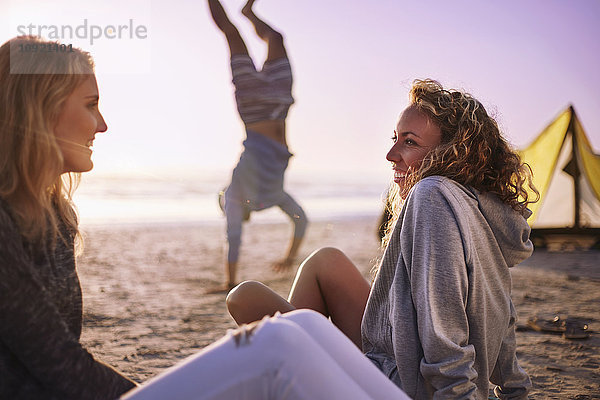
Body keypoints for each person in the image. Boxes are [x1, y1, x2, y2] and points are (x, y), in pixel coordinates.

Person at [0, 35, 413, 400]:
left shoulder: (55, 215)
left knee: (292, 332)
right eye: (91, 105)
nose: (103, 124)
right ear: (41, 109)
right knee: (277, 342)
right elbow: (59, 365)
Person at [227, 79, 538, 399]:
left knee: (244, 296)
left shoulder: (432, 196)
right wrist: (514, 388)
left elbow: (443, 324)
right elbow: (502, 310)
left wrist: (458, 393)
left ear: (452, 153)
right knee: (325, 261)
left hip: (401, 386)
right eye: (395, 139)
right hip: (402, 358)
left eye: (410, 142)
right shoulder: (480, 207)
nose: (391, 154)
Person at [208, 0, 308, 289]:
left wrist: (230, 282)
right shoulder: (273, 195)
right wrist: (290, 258)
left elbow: (234, 238)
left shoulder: (235, 194)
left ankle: (247, 14)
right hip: (279, 100)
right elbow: (301, 220)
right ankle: (249, 13)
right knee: (275, 38)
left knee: (232, 34)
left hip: (253, 104)